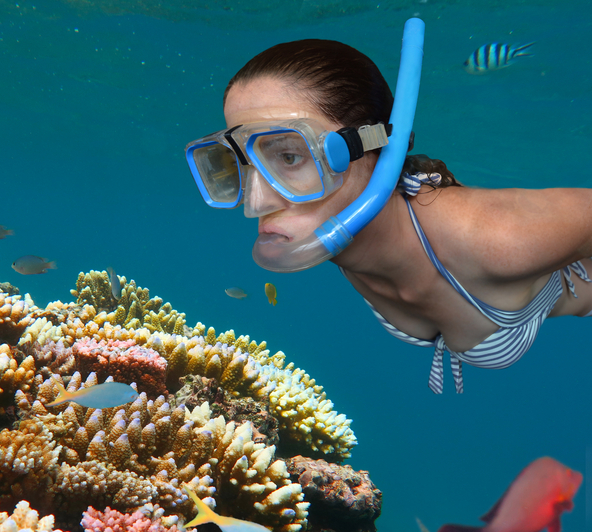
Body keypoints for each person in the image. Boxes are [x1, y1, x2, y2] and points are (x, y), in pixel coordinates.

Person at [185, 37, 592, 393]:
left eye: (289, 156)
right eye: (239, 165)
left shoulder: (494, 236)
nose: (255, 203)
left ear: (378, 149)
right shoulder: (336, 234)